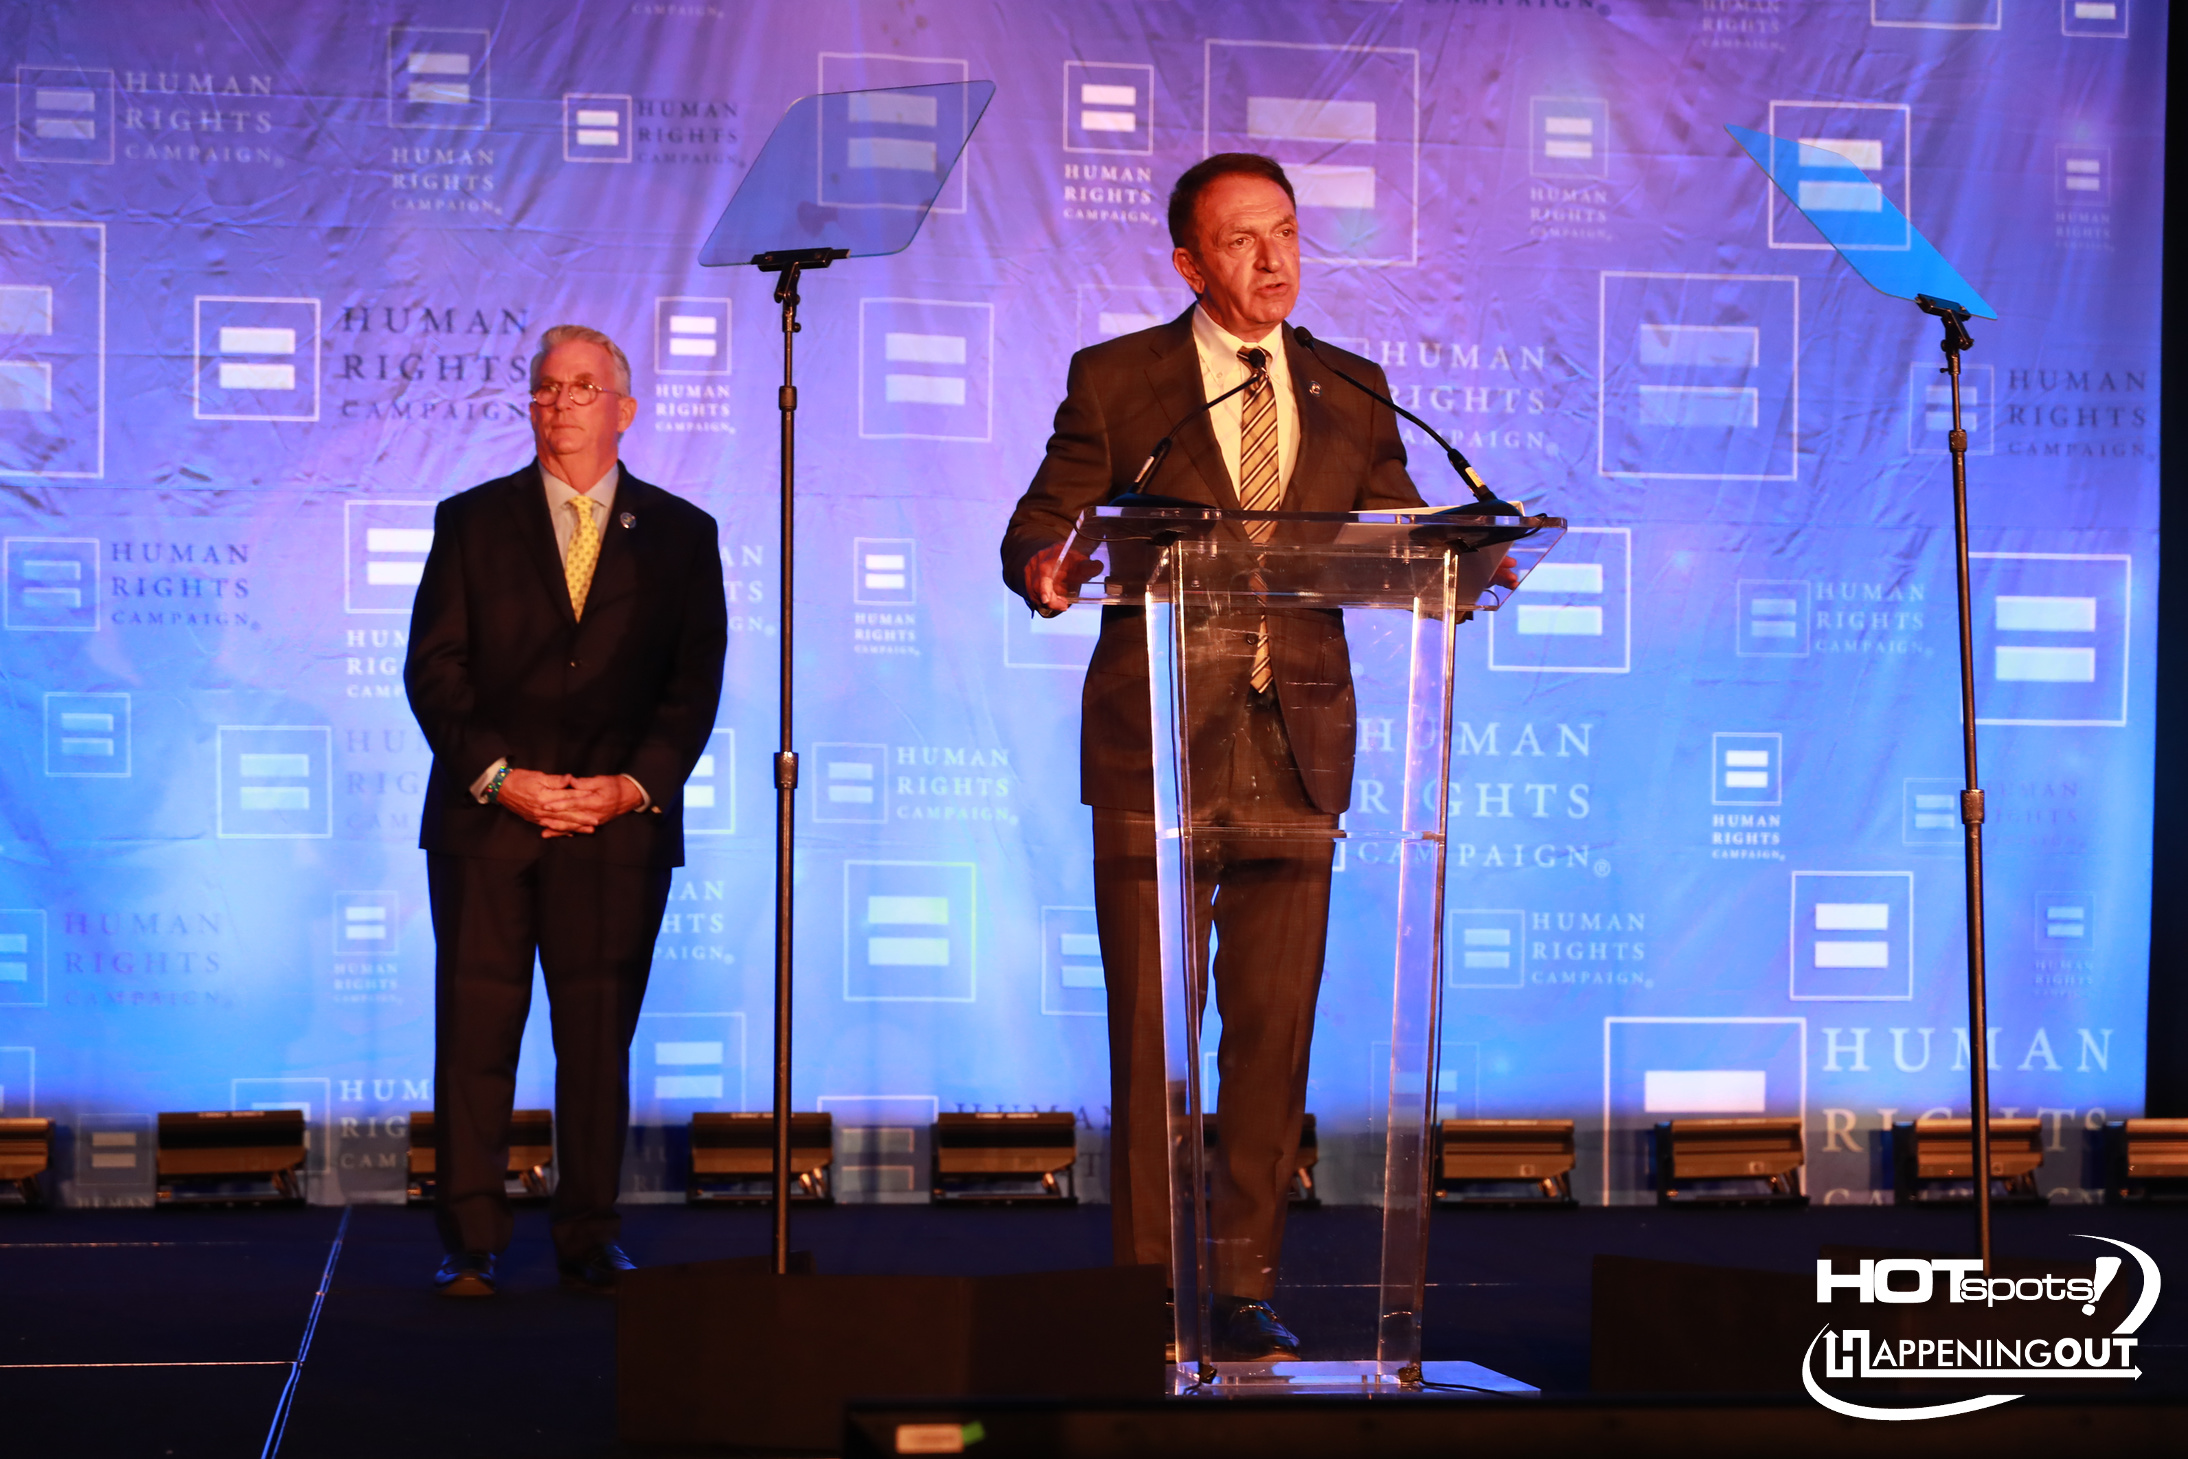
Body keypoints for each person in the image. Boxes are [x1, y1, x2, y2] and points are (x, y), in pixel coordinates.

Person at [1001, 154, 1488, 1359]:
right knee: (1153, 1043)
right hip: (1156, 751)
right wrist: (1046, 567)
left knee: (1272, 1042)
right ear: (1187, 263)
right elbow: (1043, 521)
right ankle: (1148, 1293)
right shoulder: (1121, 380)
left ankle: (1241, 1285)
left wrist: (1462, 563)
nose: (1273, 260)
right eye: (1240, 240)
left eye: (1286, 233)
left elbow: (1396, 525)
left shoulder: (1349, 384)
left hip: (1296, 748)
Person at [404, 324, 727, 1297]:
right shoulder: (471, 520)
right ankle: (470, 1239)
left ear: (624, 410)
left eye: (582, 387)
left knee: (596, 1041)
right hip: (488, 822)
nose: (560, 402)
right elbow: (435, 669)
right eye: (546, 387)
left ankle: (588, 1232)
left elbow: (692, 685)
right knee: (474, 1036)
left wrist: (630, 786)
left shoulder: (682, 533)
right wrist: (501, 777)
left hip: (615, 828)